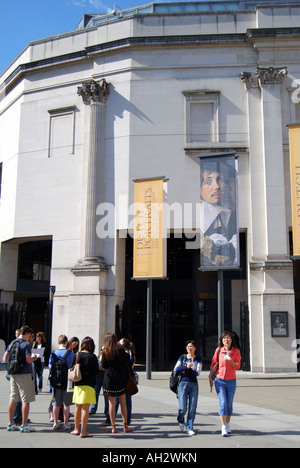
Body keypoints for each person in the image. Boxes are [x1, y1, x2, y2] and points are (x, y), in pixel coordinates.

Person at [200, 157, 238, 267]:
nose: (216, 187)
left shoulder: (229, 213)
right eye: (208, 182)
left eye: (219, 180)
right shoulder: (199, 217)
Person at [3, 325, 37, 433]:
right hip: (24, 374)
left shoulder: (12, 343)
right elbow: (28, 360)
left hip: (13, 373)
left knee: (13, 399)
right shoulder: (26, 344)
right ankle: (24, 424)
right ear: (26, 334)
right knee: (25, 400)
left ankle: (10, 423)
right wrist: (34, 357)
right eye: (30, 335)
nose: (30, 337)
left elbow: (5, 358)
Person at [210, 331, 241, 437]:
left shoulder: (236, 351)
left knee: (229, 404)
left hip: (231, 380)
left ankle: (227, 424)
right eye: (224, 339)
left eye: (228, 338)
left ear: (231, 340)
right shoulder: (219, 350)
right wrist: (210, 377)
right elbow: (213, 363)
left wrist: (231, 360)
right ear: (221, 341)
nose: (226, 340)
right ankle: (223, 426)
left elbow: (237, 366)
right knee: (223, 403)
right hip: (220, 380)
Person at [101, 333, 132, 433]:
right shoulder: (120, 350)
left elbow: (103, 365)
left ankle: (113, 427)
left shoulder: (105, 351)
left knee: (111, 403)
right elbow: (125, 363)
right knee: (123, 403)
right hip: (120, 377)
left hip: (109, 377)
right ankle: (125, 426)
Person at [70, 336, 99, 438]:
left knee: (77, 407)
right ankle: (83, 431)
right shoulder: (93, 357)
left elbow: (71, 368)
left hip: (78, 384)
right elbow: (96, 371)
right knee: (86, 409)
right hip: (89, 384)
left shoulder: (77, 355)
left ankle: (76, 429)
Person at [174, 340, 202, 436]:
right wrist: (186, 367)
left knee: (192, 407)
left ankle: (189, 427)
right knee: (183, 407)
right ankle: (180, 419)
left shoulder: (198, 359)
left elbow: (198, 372)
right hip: (183, 383)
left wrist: (190, 369)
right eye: (188, 346)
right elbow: (176, 369)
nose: (189, 348)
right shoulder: (183, 357)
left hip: (193, 384)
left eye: (191, 346)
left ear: (195, 348)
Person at [48, 334, 74, 430]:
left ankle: (55, 422)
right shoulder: (70, 354)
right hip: (67, 381)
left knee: (56, 403)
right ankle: (66, 423)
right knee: (66, 403)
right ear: (67, 342)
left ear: (58, 342)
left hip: (56, 381)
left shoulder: (53, 354)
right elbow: (72, 367)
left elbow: (50, 367)